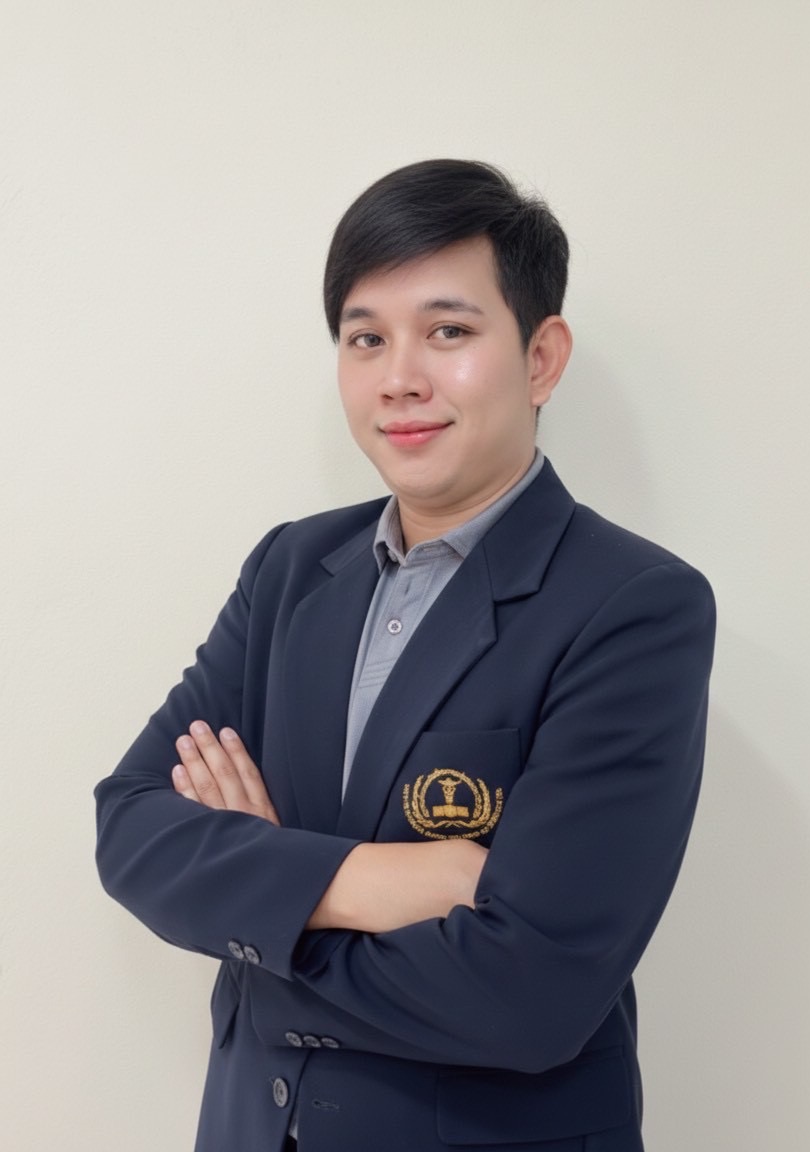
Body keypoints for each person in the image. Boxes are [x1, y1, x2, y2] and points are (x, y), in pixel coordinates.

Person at [95, 159, 715, 1152]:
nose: (399, 378)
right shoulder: (292, 568)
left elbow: (531, 994)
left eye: (448, 331)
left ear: (541, 357)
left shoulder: (633, 605)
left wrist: (260, 915)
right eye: (366, 338)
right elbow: (131, 827)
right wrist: (380, 879)